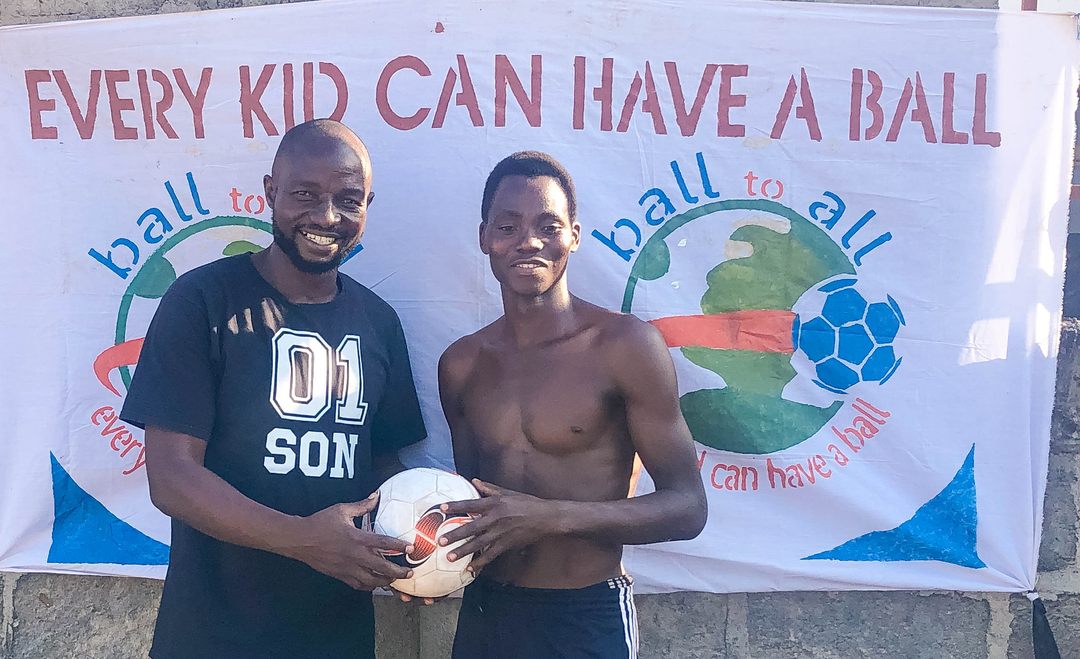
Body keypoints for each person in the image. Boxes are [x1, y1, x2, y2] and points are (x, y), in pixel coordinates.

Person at [120, 119, 427, 659]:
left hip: (337, 636)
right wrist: (306, 540)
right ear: (270, 192)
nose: (326, 217)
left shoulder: (379, 323)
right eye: (305, 194)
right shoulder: (202, 301)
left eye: (348, 200)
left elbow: (382, 467)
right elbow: (171, 479)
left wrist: (418, 549)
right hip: (214, 636)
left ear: (367, 206)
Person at [436, 151, 708, 658]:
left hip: (586, 613)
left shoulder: (625, 346)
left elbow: (688, 508)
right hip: (487, 612)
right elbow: (471, 506)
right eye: (508, 226)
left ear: (574, 236)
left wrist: (549, 517)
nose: (529, 241)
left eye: (548, 226)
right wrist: (427, 567)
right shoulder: (462, 364)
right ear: (484, 237)